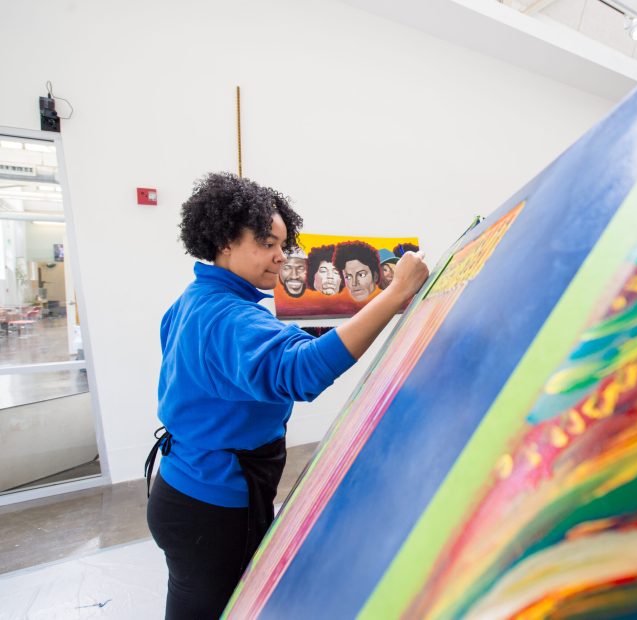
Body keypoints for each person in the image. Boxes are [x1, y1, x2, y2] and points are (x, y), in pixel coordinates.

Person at [144, 172, 428, 619]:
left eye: (282, 244)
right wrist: (395, 294)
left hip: (184, 488)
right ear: (225, 242)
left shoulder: (196, 301)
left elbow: (268, 355)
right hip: (211, 505)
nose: (280, 256)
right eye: (266, 243)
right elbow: (303, 371)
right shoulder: (228, 318)